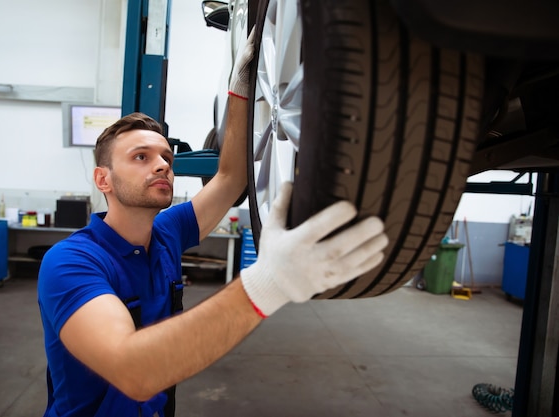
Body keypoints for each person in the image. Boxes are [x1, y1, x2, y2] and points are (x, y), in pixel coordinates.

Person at [37, 31, 389, 417]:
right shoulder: (70, 262)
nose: (162, 165)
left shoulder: (166, 234)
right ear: (103, 180)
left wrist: (239, 91)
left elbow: (230, 179)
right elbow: (132, 371)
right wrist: (270, 283)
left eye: (166, 157)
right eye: (140, 157)